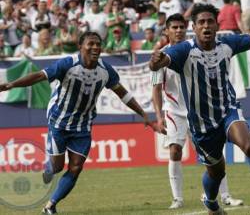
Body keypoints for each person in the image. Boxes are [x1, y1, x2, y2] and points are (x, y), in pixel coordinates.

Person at [149, 4, 250, 215]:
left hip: (228, 110)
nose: (206, 25)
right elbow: (161, 63)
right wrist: (156, 62)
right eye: (201, 22)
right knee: (216, 172)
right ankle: (211, 202)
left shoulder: (227, 44)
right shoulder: (184, 50)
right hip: (202, 123)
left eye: (210, 21)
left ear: (217, 25)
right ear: (194, 26)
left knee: (249, 146)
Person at [0, 31, 158, 215]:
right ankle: (49, 168)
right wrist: (10, 85)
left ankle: (50, 205)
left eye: (98, 44)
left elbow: (122, 93)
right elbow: (38, 76)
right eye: (90, 44)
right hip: (59, 121)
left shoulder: (106, 70)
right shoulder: (67, 64)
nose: (95, 47)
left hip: (83, 125)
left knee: (76, 167)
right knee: (58, 167)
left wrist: (143, 114)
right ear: (80, 47)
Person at [152, 13, 243, 210]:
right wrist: (159, 117)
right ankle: (177, 198)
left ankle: (225, 195)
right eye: (174, 27)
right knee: (175, 150)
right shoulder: (162, 56)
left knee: (215, 153)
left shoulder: (195, 49)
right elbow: (156, 89)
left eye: (181, 27)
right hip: (175, 111)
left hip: (201, 111)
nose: (178, 31)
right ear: (166, 31)